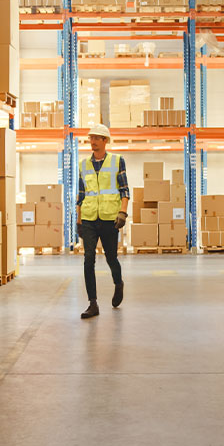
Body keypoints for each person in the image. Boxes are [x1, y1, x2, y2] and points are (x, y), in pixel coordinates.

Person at [77, 124, 129, 319]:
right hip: (89, 217)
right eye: (91, 138)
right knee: (88, 259)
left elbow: (124, 190)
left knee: (111, 258)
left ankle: (118, 283)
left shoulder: (117, 161)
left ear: (105, 141)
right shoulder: (83, 164)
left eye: (97, 138)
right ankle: (93, 303)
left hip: (109, 218)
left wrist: (122, 213)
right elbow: (81, 194)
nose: (92, 141)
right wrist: (79, 220)